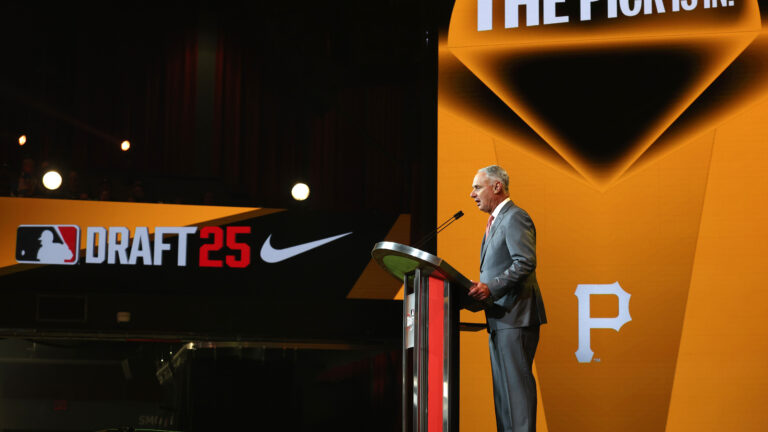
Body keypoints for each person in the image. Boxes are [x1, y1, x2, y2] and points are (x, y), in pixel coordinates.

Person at [467, 165, 547, 432]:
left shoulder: (515, 217)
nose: (472, 194)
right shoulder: (496, 221)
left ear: (497, 186)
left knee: (516, 395)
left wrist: (490, 288)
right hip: (501, 318)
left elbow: (525, 262)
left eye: (477, 187)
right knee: (505, 399)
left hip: (516, 317)